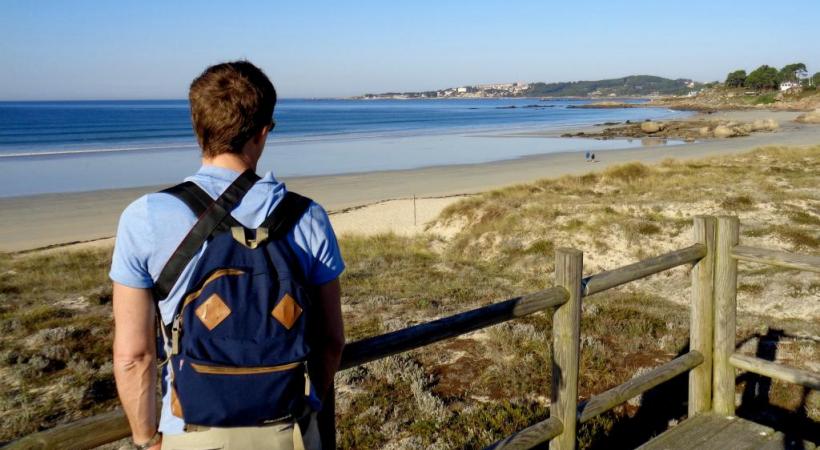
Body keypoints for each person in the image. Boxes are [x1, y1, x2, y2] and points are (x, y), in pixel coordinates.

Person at [110, 61, 345, 450]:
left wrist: (145, 437)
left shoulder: (145, 216)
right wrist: (308, 404)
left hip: (192, 432)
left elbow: (135, 355)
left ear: (197, 126)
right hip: (288, 429)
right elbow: (331, 340)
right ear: (264, 130)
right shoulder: (307, 216)